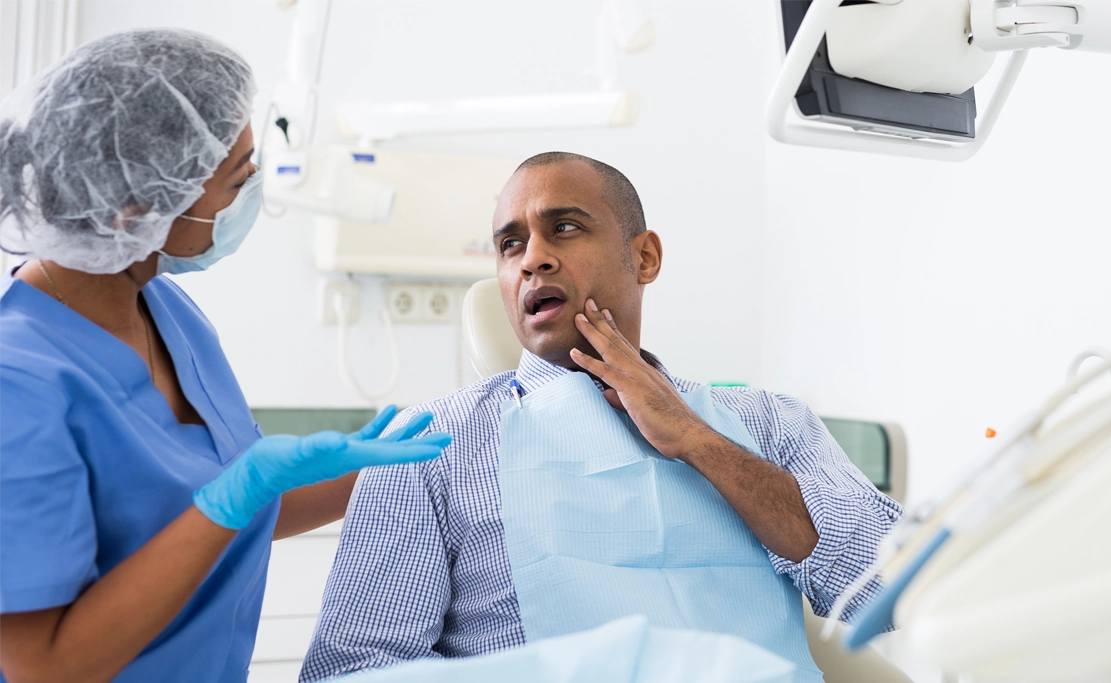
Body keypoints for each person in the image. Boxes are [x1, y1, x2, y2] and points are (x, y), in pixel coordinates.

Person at [300, 152, 902, 681]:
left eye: (563, 228)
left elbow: (888, 588)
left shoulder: (769, 423)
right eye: (511, 244)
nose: (533, 259)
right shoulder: (431, 445)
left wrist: (695, 439)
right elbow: (354, 669)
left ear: (644, 258)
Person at [0, 30, 451, 683]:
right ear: (135, 210)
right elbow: (42, 665)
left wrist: (383, 471)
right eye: (238, 177)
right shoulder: (19, 384)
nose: (253, 193)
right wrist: (235, 495)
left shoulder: (166, 310)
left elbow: (233, 511)